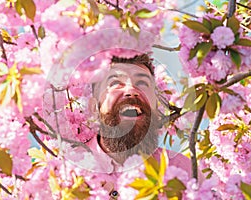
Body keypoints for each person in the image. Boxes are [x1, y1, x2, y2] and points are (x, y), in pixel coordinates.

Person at [71, 53, 203, 197]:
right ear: (94, 108)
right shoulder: (68, 172)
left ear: (156, 107)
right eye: (115, 83)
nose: (131, 91)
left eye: (142, 83)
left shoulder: (184, 171)